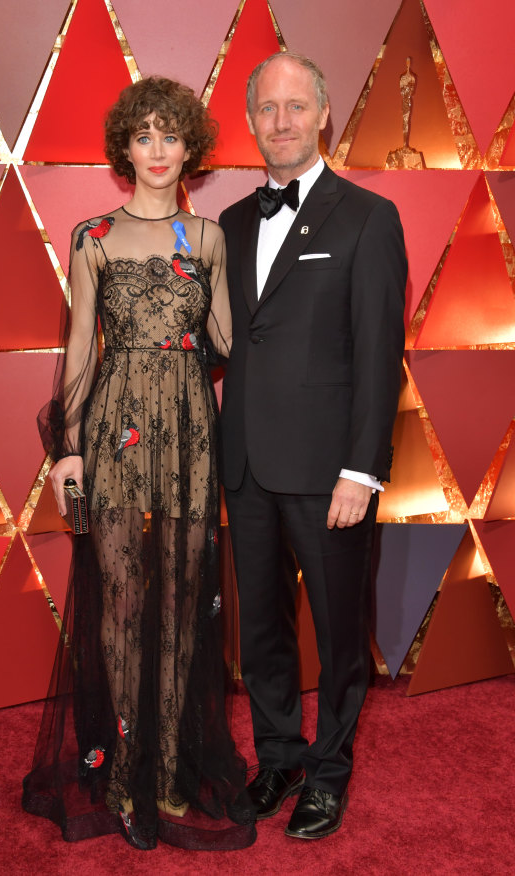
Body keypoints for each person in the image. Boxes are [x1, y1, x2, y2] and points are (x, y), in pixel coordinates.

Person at [22, 77, 255, 852]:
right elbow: (81, 349)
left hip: (189, 427)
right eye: (144, 135)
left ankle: (169, 767)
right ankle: (124, 767)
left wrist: (201, 261)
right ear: (125, 148)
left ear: (193, 148)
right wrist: (68, 450)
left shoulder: (211, 237)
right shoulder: (91, 237)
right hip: (116, 428)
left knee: (185, 601)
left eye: (172, 135)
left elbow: (225, 343)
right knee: (121, 599)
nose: (158, 150)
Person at [219, 52, 407, 840]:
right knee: (260, 630)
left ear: (324, 114)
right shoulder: (228, 222)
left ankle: (329, 772)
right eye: (268, 108)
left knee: (337, 635)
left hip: (332, 474)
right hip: (246, 468)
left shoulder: (368, 216)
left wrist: (361, 471)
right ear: (252, 118)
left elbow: (377, 354)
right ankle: (279, 757)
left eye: (297, 106)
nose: (282, 122)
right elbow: (227, 343)